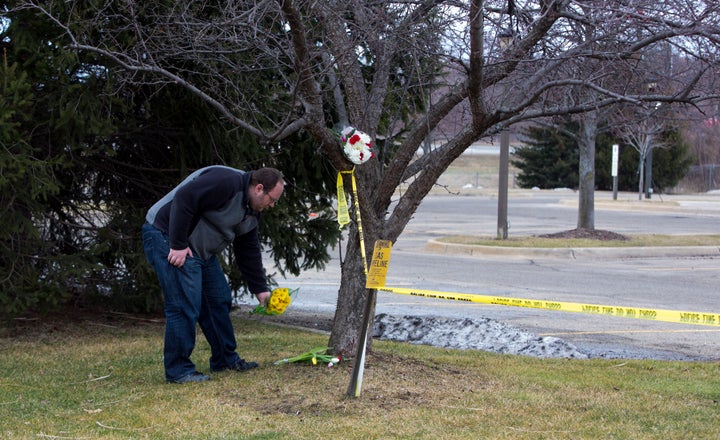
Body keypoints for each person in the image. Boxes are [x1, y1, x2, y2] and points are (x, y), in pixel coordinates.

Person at [142, 165, 284, 384]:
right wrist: (177, 243)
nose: (273, 205)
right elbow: (184, 198)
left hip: (200, 251)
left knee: (218, 300)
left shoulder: (252, 212)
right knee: (183, 304)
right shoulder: (226, 182)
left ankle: (225, 359)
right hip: (165, 235)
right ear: (259, 188)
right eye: (272, 199)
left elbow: (248, 250)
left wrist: (260, 290)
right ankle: (178, 371)